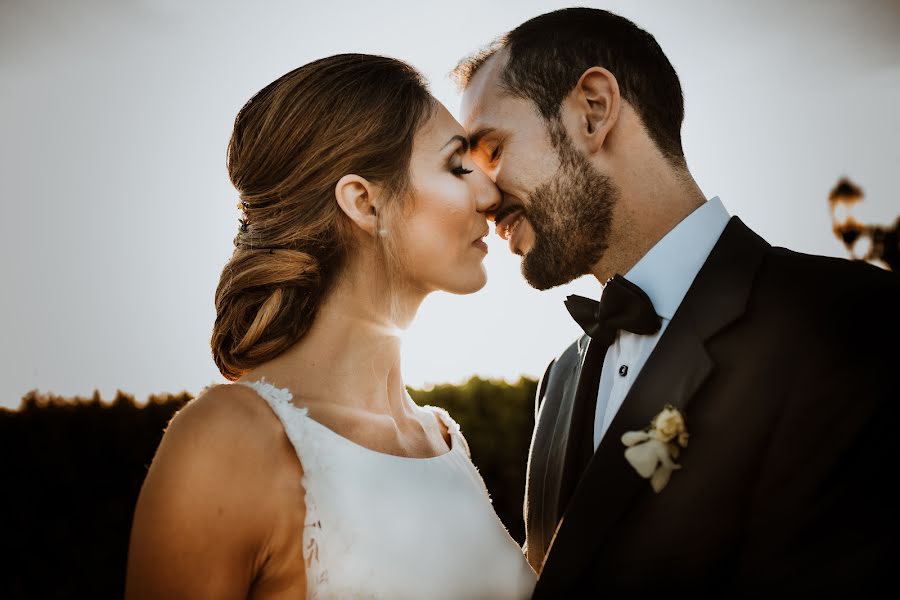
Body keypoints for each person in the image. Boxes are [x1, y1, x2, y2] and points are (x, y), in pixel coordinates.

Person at [454, 8, 899, 598]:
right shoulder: (558, 383)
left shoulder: (853, 324)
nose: (480, 195)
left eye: (491, 150)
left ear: (593, 109)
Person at [125, 54, 536, 600]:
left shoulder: (441, 438)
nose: (488, 197)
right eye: (458, 167)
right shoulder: (229, 440)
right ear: (365, 203)